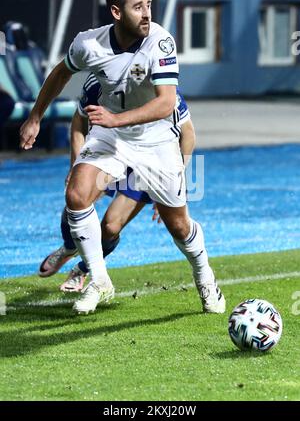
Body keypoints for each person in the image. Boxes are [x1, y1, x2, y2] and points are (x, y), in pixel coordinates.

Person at [20, 0, 225, 314]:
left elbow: (165, 104)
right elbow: (59, 74)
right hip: (112, 137)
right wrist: (35, 116)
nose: (147, 14)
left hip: (155, 140)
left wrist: (115, 120)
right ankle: (99, 280)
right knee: (76, 193)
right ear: (116, 12)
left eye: (148, 6)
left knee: (179, 226)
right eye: (137, 7)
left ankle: (205, 278)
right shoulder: (89, 45)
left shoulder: (160, 41)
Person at [39, 73, 195, 293]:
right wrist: (75, 165)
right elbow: (79, 121)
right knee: (77, 199)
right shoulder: (101, 82)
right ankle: (69, 245)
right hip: (111, 151)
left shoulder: (164, 91)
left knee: (111, 226)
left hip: (150, 160)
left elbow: (187, 134)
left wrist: (174, 184)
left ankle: (83, 270)